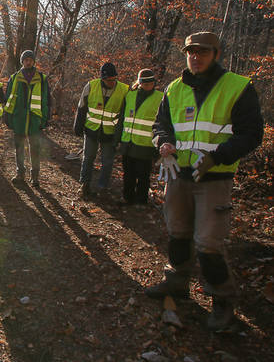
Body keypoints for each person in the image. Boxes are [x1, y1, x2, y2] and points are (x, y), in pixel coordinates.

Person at [146, 32, 263, 331]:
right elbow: (161, 125)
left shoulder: (237, 87)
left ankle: (223, 301)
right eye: (190, 51)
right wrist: (164, 143)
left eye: (203, 52)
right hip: (179, 175)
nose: (195, 57)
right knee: (178, 232)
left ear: (216, 53)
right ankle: (176, 281)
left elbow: (252, 134)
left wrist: (218, 156)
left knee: (209, 243)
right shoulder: (174, 88)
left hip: (214, 177)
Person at [73, 62, 129, 198]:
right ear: (102, 78)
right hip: (91, 130)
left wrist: (120, 135)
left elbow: (125, 115)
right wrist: (78, 126)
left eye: (114, 79)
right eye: (109, 80)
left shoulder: (124, 90)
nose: (112, 82)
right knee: (88, 158)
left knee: (107, 161)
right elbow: (82, 107)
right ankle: (84, 185)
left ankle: (102, 188)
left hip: (110, 133)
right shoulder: (91, 86)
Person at [4, 50, 51, 187]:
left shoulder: (42, 78)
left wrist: (45, 118)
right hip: (19, 119)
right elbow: (8, 99)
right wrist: (8, 117)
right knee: (19, 148)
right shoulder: (14, 78)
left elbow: (47, 100)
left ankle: (35, 176)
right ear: (22, 62)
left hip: (35, 120)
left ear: (33, 61)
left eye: (30, 59)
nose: (28, 61)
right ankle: (20, 174)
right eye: (26, 60)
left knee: (35, 149)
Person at [116, 69, 163, 206]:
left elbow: (163, 122)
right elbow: (122, 119)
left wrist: (158, 145)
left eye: (150, 83)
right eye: (144, 83)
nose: (147, 85)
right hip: (128, 142)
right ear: (139, 82)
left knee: (143, 175)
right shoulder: (129, 95)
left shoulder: (160, 97)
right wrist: (117, 139)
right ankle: (127, 198)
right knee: (128, 174)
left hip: (146, 144)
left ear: (154, 83)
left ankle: (141, 200)